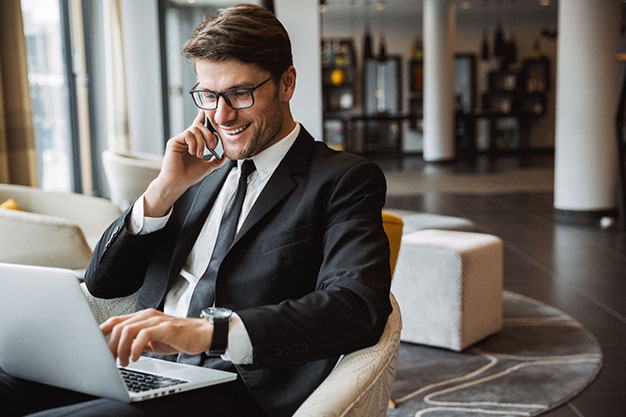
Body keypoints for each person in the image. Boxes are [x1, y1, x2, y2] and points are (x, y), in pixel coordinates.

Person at [0, 4, 391, 416]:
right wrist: (163, 190)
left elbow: (356, 305)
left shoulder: (343, 179)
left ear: (287, 83)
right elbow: (102, 283)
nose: (222, 115)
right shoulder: (195, 173)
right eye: (208, 95)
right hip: (140, 367)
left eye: (240, 94)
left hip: (236, 387)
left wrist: (208, 333)